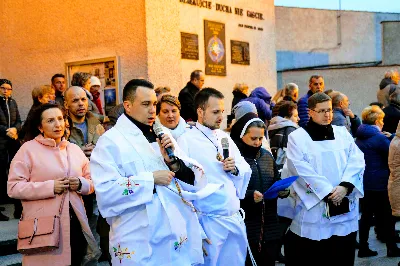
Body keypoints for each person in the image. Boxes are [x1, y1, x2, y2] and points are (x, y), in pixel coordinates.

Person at [90, 79, 213, 265]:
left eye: (154, 104)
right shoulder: (110, 142)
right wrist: (150, 180)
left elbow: (189, 182)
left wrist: (173, 163)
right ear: (128, 106)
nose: (152, 110)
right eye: (146, 104)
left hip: (173, 233)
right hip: (138, 236)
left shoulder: (163, 135)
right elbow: (106, 192)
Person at [7, 103, 100, 265]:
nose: (58, 124)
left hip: (76, 224)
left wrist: (80, 184)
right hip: (43, 228)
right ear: (40, 127)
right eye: (50, 120)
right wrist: (50, 187)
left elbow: (93, 182)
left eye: (60, 119)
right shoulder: (28, 150)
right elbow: (13, 188)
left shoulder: (74, 149)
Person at [283, 92, 364, 266]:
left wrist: (345, 187)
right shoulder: (297, 137)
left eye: (329, 110)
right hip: (316, 207)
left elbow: (357, 160)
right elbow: (299, 168)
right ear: (310, 112)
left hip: (344, 205)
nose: (327, 115)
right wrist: (328, 192)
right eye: (321, 111)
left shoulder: (342, 133)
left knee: (343, 254)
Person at [177, 88, 252, 266]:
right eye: (215, 112)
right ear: (200, 112)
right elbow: (182, 185)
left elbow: (244, 167)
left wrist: (234, 169)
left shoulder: (224, 138)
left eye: (222, 111)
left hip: (233, 217)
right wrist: (196, 231)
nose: (221, 116)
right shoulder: (186, 140)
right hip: (208, 221)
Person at [231, 112, 289, 266]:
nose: (257, 143)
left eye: (260, 138)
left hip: (269, 226)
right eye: (253, 138)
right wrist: (249, 196)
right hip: (246, 226)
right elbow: (229, 191)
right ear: (242, 136)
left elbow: (275, 178)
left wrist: (283, 190)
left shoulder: (266, 156)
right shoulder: (235, 159)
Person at [355, 105, 400, 257]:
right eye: (381, 120)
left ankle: (363, 247)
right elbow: (392, 154)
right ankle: (392, 247)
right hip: (380, 183)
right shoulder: (379, 138)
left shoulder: (360, 135)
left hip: (365, 182)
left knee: (366, 216)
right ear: (376, 121)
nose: (382, 123)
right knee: (387, 216)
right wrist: (393, 137)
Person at [0, 79, 21, 221]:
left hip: (11, 142)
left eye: (8, 88)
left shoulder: (13, 102)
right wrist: (5, 131)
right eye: (2, 88)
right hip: (0, 142)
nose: (5, 90)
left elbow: (19, 120)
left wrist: (15, 129)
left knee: (12, 172)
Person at [268, 101, 299, 169]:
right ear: (286, 117)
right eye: (295, 116)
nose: (298, 119)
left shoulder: (272, 127)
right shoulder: (291, 129)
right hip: (285, 169)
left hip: (272, 167)